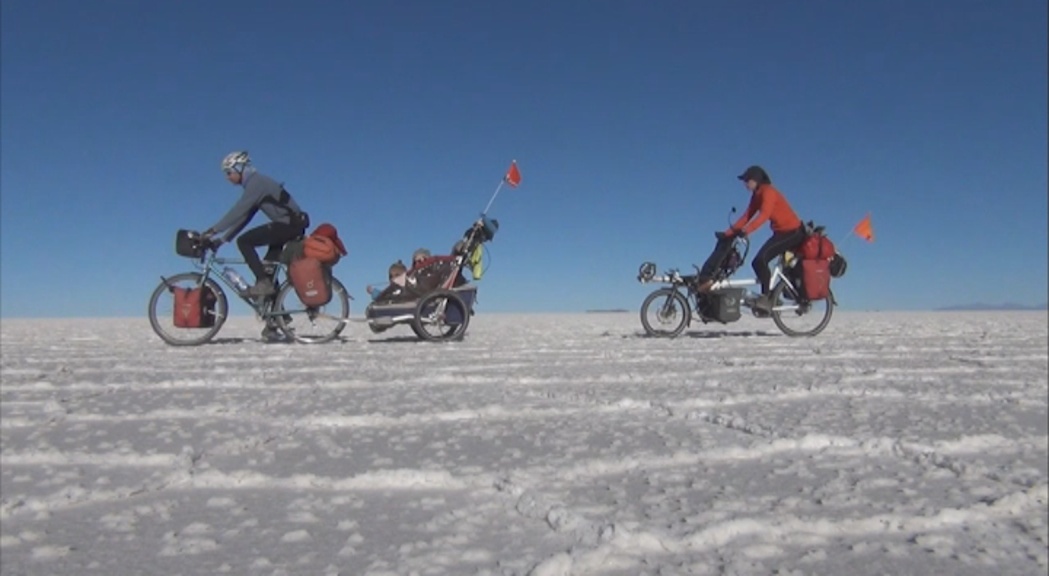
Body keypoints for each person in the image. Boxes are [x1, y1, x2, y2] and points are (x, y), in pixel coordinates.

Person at [202, 151, 309, 296]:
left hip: (289, 225)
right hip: (289, 226)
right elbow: (245, 217)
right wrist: (222, 239)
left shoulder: (256, 182)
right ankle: (279, 315)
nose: (227, 178)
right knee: (267, 269)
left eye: (228, 172)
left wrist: (213, 230)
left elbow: (238, 210)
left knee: (244, 242)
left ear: (239, 168)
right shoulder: (255, 184)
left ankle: (263, 284)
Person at [720, 165, 806, 312]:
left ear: (756, 180)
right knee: (757, 262)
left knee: (760, 260)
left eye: (747, 180)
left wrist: (747, 231)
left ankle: (767, 298)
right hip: (781, 233)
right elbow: (747, 216)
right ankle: (772, 296)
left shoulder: (768, 192)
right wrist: (727, 234)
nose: (745, 184)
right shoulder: (757, 195)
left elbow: (764, 215)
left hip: (793, 232)